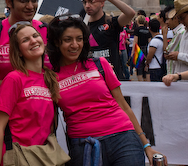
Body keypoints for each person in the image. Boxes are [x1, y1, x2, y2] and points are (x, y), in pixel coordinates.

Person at [46, 15, 165, 165]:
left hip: (124, 139)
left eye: (79, 39)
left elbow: (123, 106)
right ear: (57, 42)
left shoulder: (100, 64)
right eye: (68, 39)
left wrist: (146, 145)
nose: (75, 45)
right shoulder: (49, 76)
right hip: (83, 145)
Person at [0, 23, 60, 165]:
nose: (33, 41)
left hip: (44, 157)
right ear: (19, 51)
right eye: (25, 40)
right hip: (18, 157)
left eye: (35, 36)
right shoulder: (14, 79)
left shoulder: (50, 78)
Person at [0, 0, 48, 116]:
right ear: (8, 2)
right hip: (2, 123)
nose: (30, 6)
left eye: (34, 0)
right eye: (23, 1)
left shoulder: (47, 32)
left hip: (41, 122)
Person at [81, 0, 135, 81]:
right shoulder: (81, 26)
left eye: (91, 1)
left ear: (102, 2)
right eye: (84, 2)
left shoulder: (111, 22)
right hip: (92, 81)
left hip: (113, 80)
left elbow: (130, 13)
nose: (87, 5)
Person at [163, 6, 185, 75]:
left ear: (175, 18)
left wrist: (164, 35)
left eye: (167, 19)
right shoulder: (179, 32)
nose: (166, 22)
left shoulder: (180, 33)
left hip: (176, 72)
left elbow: (167, 53)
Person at [132, 15, 151, 81]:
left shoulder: (137, 30)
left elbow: (135, 41)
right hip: (146, 49)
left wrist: (132, 53)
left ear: (137, 21)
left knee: (139, 68)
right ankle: (147, 82)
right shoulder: (147, 30)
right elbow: (150, 42)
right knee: (146, 67)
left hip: (138, 49)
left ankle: (140, 83)